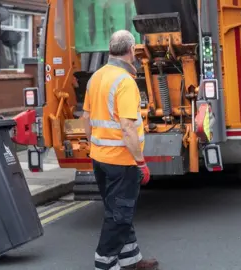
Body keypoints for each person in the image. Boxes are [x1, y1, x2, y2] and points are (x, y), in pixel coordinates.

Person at [82, 30, 159, 270]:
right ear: (131, 50)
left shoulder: (96, 77)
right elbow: (127, 127)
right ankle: (104, 264)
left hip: (100, 158)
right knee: (120, 215)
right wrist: (141, 162)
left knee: (117, 210)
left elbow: (86, 117)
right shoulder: (125, 81)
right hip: (121, 162)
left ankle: (131, 259)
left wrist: (95, 146)